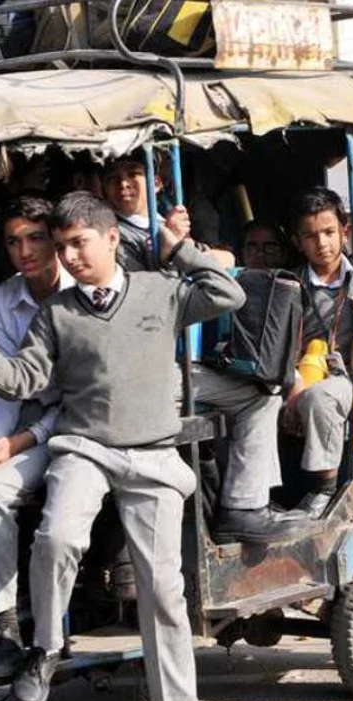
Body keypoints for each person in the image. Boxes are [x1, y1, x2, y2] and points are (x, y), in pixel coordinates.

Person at [0, 191, 245, 701]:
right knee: (56, 538)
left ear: (112, 238)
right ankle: (45, 648)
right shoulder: (55, 313)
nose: (70, 257)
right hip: (84, 449)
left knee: (163, 589)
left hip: (152, 454)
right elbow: (21, 380)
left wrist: (177, 249)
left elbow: (227, 292)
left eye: (79, 243)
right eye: (63, 247)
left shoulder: (160, 290)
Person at [103, 153, 301, 543]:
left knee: (263, 390)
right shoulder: (112, 237)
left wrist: (184, 245)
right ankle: (241, 507)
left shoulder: (162, 226)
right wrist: (175, 253)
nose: (123, 184)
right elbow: (149, 295)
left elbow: (224, 262)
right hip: (149, 371)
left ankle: (248, 504)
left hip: (184, 364)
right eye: (113, 178)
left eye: (133, 174)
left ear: (156, 182)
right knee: (249, 403)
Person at [0, 196, 75, 680]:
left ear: (56, 241)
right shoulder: (4, 298)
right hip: (31, 418)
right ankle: (2, 620)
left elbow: (79, 400)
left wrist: (20, 442)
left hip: (79, 424)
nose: (25, 251)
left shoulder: (81, 292)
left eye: (35, 239)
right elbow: (6, 386)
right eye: (14, 242)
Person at [284, 187, 353, 518]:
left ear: (345, 232)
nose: (322, 243)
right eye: (311, 236)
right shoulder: (290, 283)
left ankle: (324, 487)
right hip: (299, 372)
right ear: (298, 242)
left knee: (320, 398)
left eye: (329, 232)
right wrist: (293, 383)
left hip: (345, 376)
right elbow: (281, 343)